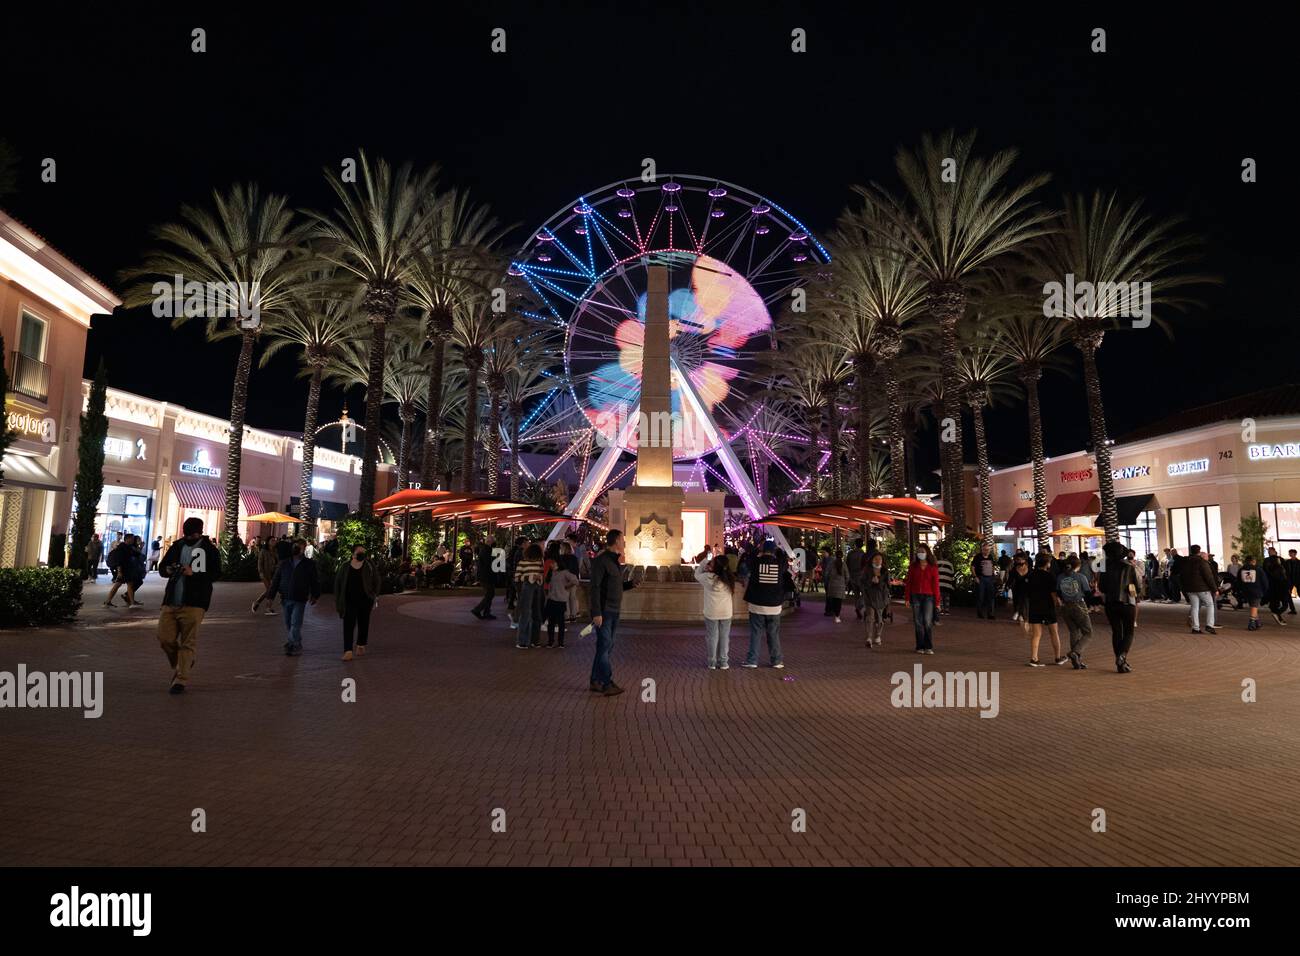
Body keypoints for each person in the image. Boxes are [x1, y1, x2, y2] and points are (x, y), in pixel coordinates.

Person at [156, 517, 222, 694]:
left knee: (188, 642)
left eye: (192, 534)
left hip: (195, 603)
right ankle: (183, 662)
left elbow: (216, 574)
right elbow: (162, 567)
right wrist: (168, 570)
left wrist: (194, 574)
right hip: (171, 601)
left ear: (199, 533)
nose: (189, 537)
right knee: (164, 638)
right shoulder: (177, 546)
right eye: (186, 534)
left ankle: (181, 679)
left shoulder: (210, 550)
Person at [589, 529, 633, 695]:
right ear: (616, 541)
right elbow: (595, 587)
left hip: (614, 610)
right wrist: (596, 612)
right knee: (605, 646)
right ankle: (607, 683)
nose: (624, 543)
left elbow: (613, 585)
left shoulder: (615, 561)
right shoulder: (602, 561)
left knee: (605, 647)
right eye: (623, 539)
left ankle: (595, 680)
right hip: (605, 611)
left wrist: (629, 585)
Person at [267, 540, 321, 656]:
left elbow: (314, 580)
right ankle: (296, 642)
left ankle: (292, 645)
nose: (298, 549)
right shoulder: (284, 563)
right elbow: (276, 580)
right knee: (288, 622)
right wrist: (271, 597)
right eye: (296, 546)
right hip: (286, 597)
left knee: (295, 623)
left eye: (300, 547)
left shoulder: (309, 564)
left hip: (300, 598)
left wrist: (315, 595)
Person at [739, 539, 786, 669]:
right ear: (774, 551)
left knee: (755, 633)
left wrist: (757, 548)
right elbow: (784, 556)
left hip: (757, 604)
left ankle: (752, 660)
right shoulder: (779, 564)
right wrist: (778, 550)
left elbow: (749, 556)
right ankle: (776, 661)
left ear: (762, 550)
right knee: (773, 634)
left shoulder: (755, 562)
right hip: (774, 605)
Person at [335, 543, 381, 662]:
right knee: (348, 625)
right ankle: (348, 650)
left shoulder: (369, 565)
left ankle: (361, 644)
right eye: (359, 552)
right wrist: (338, 599)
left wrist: (374, 595)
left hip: (365, 600)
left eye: (363, 552)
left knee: (363, 622)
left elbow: (377, 580)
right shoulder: (345, 566)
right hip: (349, 600)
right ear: (353, 553)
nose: (362, 555)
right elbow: (338, 583)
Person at [1099, 540, 1139, 673]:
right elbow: (1137, 586)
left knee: (1116, 631)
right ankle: (1122, 656)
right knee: (1129, 631)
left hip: (1110, 603)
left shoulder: (1104, 566)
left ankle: (1120, 662)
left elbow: (1101, 587)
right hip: (1128, 602)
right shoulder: (1129, 566)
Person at [694, 550, 737, 669]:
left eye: (711, 563)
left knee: (712, 637)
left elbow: (696, 574)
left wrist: (705, 561)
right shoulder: (729, 578)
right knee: (724, 637)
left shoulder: (707, 578)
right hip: (726, 612)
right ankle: (723, 662)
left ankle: (711, 662)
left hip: (711, 612)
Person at [1024, 552, 1065, 666]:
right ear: (1047, 563)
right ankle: (1057, 657)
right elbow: (1053, 593)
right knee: (1054, 632)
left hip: (1034, 606)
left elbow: (1027, 592)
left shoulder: (1031, 575)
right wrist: (1058, 603)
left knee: (1036, 634)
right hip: (1047, 606)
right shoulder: (1049, 576)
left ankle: (1034, 658)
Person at [1056, 555, 1093, 669]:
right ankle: (1075, 652)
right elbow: (1087, 593)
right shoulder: (1081, 577)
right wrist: (1091, 605)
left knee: (1074, 631)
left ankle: (1076, 661)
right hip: (1079, 605)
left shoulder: (1060, 577)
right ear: (1078, 565)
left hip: (1066, 606)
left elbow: (1058, 592)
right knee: (1088, 632)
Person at [902, 543, 939, 655]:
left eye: (922, 551)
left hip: (929, 596)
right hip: (916, 595)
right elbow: (909, 583)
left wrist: (937, 602)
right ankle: (920, 646)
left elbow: (935, 585)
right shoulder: (913, 567)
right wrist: (907, 598)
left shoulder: (933, 567)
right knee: (918, 622)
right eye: (919, 552)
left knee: (927, 621)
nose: (920, 554)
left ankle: (928, 646)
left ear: (927, 552)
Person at [1181, 544, 1219, 635]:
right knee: (1210, 605)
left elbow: (1182, 576)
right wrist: (1215, 589)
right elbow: (1208, 576)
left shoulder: (1185, 562)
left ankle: (1195, 628)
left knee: (1194, 607)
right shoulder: (1202, 562)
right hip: (1202, 588)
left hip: (1190, 589)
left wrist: (1184, 588)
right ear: (1199, 551)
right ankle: (1209, 625)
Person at [545, 550, 579, 648]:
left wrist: (567, 586)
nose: (552, 564)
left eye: (554, 562)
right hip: (552, 599)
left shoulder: (564, 572)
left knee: (560, 622)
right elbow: (547, 582)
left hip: (560, 600)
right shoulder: (551, 572)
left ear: (558, 563)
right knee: (551, 622)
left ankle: (560, 642)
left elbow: (575, 580)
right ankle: (550, 641)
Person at [514, 542, 545, 648]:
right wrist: (532, 577)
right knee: (532, 614)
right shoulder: (538, 563)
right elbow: (517, 578)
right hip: (532, 586)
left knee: (530, 614)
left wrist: (531, 577)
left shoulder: (523, 562)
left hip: (531, 587)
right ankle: (532, 640)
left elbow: (517, 577)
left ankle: (525, 641)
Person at [863, 550, 891, 648]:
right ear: (872, 560)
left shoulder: (885, 571)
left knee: (879, 619)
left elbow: (888, 585)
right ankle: (869, 638)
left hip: (881, 598)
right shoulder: (867, 570)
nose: (878, 560)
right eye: (876, 559)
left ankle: (878, 635)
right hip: (869, 597)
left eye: (879, 559)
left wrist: (879, 583)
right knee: (870, 617)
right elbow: (862, 583)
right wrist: (870, 582)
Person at [470, 536, 498, 620]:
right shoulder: (487, 550)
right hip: (487, 576)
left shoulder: (484, 549)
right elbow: (489, 563)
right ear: (490, 541)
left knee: (489, 594)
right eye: (494, 541)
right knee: (490, 594)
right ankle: (478, 610)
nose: (494, 543)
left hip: (485, 575)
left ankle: (486, 612)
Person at [1238, 554, 1268, 630]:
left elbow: (1238, 581)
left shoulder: (1241, 570)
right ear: (1253, 561)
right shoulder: (1258, 569)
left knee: (1253, 606)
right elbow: (1264, 581)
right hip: (1257, 590)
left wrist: (1241, 590)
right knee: (1254, 606)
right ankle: (1251, 623)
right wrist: (1265, 590)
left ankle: (1257, 623)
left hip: (1246, 591)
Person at [251, 538, 280, 615]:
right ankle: (267, 607)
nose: (274, 542)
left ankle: (257, 602)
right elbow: (260, 563)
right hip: (265, 573)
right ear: (268, 542)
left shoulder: (275, 551)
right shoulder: (263, 551)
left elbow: (277, 561)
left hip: (274, 573)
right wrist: (261, 573)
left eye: (275, 540)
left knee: (270, 590)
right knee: (270, 590)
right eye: (272, 540)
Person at [1262, 547, 1290, 626]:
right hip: (1276, 584)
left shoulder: (1278, 560)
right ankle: (1279, 616)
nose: (1269, 552)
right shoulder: (1269, 560)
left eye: (1270, 551)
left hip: (1277, 584)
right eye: (1268, 551)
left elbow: (1286, 572)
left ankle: (1277, 614)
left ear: (1275, 551)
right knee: (1278, 603)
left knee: (1282, 603)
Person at [972, 541, 998, 620]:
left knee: (991, 596)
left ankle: (990, 613)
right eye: (985, 549)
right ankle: (980, 613)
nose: (986, 551)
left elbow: (993, 566)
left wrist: (993, 575)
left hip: (989, 578)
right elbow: (972, 567)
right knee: (980, 596)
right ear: (982, 549)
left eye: (988, 549)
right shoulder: (978, 557)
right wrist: (975, 577)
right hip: (981, 578)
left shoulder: (990, 557)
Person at [821, 548, 847, 623]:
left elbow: (826, 573)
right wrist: (845, 582)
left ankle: (832, 611)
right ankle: (836, 614)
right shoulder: (843, 564)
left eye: (824, 552)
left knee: (832, 598)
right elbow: (847, 575)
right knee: (838, 600)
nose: (823, 554)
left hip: (831, 583)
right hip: (839, 584)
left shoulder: (831, 562)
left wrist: (827, 580)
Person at [846, 539, 866, 621]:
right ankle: (859, 607)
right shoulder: (863, 554)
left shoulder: (850, 553)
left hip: (852, 576)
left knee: (856, 595)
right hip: (861, 576)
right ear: (862, 544)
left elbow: (847, 564)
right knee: (865, 593)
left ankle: (857, 608)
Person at [1009, 555, 1030, 623]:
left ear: (1025, 560)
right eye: (1018, 560)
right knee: (1017, 601)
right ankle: (1018, 613)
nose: (1020, 561)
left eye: (1022, 560)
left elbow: (1032, 578)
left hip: (1026, 588)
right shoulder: (1014, 569)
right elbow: (1010, 579)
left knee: (1025, 602)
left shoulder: (1029, 569)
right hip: (1017, 588)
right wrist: (1007, 585)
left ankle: (1020, 614)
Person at [1286, 549, 1300, 615]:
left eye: (1291, 553)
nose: (1289, 554)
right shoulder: (1287, 562)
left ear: (1295, 554)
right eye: (1289, 553)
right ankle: (1293, 610)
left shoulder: (1299, 562)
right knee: (1288, 595)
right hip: (1290, 581)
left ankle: (1293, 610)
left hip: (1298, 581)